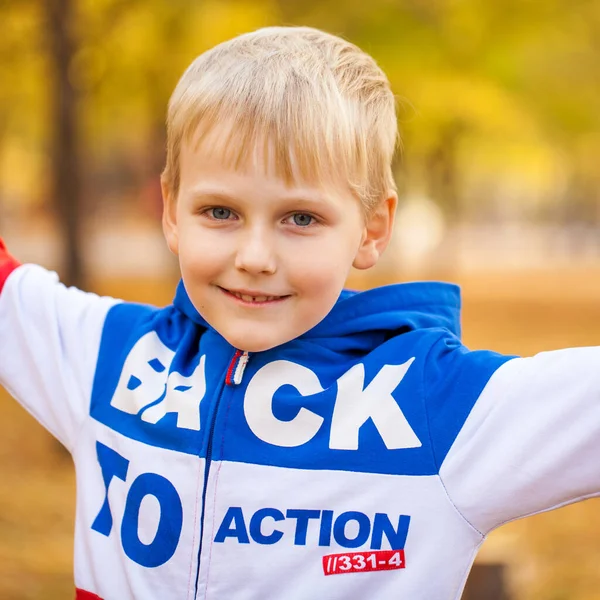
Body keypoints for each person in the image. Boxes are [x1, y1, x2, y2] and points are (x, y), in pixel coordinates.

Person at [0, 26, 598, 600]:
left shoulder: (436, 405)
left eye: (301, 218)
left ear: (372, 228)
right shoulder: (106, 358)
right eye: (219, 211)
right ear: (171, 211)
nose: (254, 257)